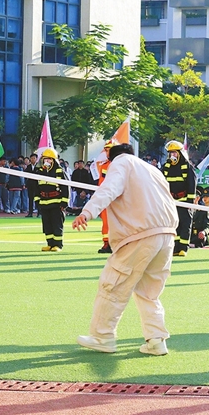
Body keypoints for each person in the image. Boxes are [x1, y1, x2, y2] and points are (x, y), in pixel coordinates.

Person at [73, 143, 178, 356]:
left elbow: (108, 190)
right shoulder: (152, 169)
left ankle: (102, 337)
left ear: (112, 158)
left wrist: (87, 212)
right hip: (167, 234)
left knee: (113, 285)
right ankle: (156, 340)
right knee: (149, 292)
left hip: (139, 234)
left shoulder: (121, 164)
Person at [163, 140, 197, 257]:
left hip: (184, 201)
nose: (172, 156)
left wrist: (190, 202)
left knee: (185, 224)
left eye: (175, 153)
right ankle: (175, 247)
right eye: (170, 153)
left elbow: (191, 185)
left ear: (180, 154)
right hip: (171, 202)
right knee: (173, 224)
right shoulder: (166, 167)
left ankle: (183, 248)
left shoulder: (187, 167)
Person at [33, 148, 69, 251]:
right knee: (47, 224)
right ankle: (50, 243)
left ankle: (58, 244)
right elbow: (36, 188)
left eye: (49, 159)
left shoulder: (59, 171)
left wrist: (64, 201)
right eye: (45, 159)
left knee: (57, 224)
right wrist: (37, 201)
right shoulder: (39, 172)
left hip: (56, 202)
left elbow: (66, 187)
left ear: (54, 160)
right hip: (44, 202)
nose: (47, 161)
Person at [97, 141, 115, 254]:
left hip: (117, 198)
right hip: (106, 197)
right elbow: (101, 182)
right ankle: (107, 243)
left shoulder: (120, 164)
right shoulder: (105, 165)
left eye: (108, 149)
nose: (106, 152)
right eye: (106, 149)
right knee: (106, 222)